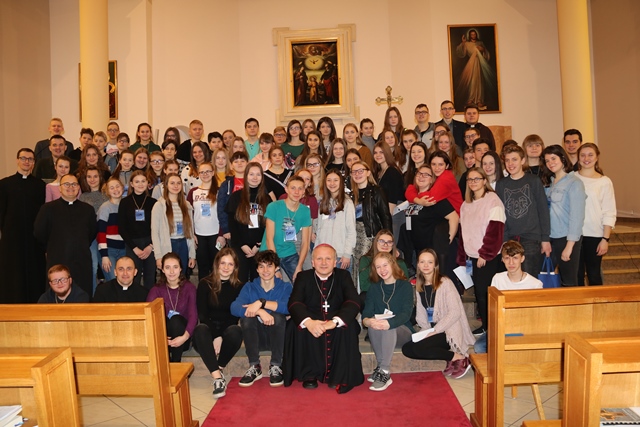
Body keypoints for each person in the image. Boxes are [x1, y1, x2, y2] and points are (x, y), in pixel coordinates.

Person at [284, 244, 364, 393]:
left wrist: (335, 322)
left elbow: (354, 301)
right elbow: (294, 302)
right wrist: (308, 322)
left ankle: (339, 375)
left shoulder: (343, 276)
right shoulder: (303, 277)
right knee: (294, 326)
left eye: (328, 259)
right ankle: (309, 374)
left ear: (335, 262)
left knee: (348, 326)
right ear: (313, 262)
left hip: (336, 316)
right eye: (319, 259)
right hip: (311, 317)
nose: (323, 263)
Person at [401, 249, 475, 378]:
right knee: (407, 349)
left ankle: (460, 357)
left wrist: (435, 330)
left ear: (435, 264)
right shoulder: (420, 285)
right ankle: (451, 357)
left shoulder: (445, 283)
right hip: (432, 330)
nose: (426, 265)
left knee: (419, 348)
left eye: (430, 262)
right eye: (422, 262)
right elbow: (421, 314)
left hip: (448, 330)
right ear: (417, 264)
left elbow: (455, 312)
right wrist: (424, 332)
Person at [230, 250, 292, 387]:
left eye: (269, 266)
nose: (265, 270)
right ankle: (255, 366)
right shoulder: (250, 287)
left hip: (278, 339)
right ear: (257, 269)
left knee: (278, 316)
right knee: (247, 318)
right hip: (256, 339)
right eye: (261, 266)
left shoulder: (285, 287)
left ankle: (276, 365)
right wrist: (259, 311)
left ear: (276, 268)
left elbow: (288, 307)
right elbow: (234, 308)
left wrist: (261, 303)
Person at [457, 167, 505, 335]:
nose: (473, 182)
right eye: (470, 179)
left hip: (488, 256)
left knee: (486, 293)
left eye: (477, 179)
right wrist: (463, 257)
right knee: (479, 293)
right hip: (472, 256)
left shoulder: (493, 200)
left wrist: (485, 254)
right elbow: (463, 233)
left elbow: (495, 231)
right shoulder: (466, 204)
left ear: (485, 180)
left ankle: (491, 327)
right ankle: (485, 325)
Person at [34, 174, 97, 298]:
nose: (70, 187)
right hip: (57, 258)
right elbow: (39, 232)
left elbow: (92, 232)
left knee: (82, 295)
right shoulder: (48, 209)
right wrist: (52, 247)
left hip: (82, 260)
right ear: (60, 188)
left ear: (78, 187)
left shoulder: (87, 210)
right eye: (66, 184)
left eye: (74, 184)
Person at [473, 241, 543, 353]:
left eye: (515, 258)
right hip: (501, 326)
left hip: (523, 327)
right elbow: (492, 308)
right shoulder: (497, 278)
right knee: (479, 347)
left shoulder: (535, 284)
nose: (511, 263)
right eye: (507, 258)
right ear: (502, 259)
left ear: (522, 259)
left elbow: (535, 315)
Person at [193, 248, 245, 398]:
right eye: (223, 263)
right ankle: (217, 377)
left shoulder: (239, 286)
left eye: (230, 264)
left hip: (227, 331)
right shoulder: (204, 284)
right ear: (217, 264)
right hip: (207, 332)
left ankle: (219, 367)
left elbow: (234, 316)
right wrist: (216, 336)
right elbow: (202, 315)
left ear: (235, 267)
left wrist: (221, 336)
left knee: (236, 331)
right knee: (200, 329)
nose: (226, 267)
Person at [495, 144, 551, 277]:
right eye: (507, 160)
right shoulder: (501, 184)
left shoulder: (533, 181)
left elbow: (543, 210)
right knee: (512, 279)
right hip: (510, 239)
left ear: (523, 160)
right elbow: (500, 214)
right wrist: (504, 240)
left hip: (531, 239)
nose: (510, 164)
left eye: (514, 159)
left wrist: (545, 239)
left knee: (529, 279)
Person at [0, 148, 46, 303]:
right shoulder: (5, 184)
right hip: (12, 239)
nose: (27, 162)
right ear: (17, 160)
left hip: (34, 239)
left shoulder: (40, 185)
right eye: (23, 158)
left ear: (34, 163)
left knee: (35, 271)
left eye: (30, 159)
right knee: (13, 272)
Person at [362, 252, 414, 391]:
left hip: (403, 331)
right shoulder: (374, 288)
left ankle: (384, 371)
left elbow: (406, 314)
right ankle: (380, 368)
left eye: (385, 265)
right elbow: (366, 313)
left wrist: (389, 323)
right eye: (378, 267)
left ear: (392, 265)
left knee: (387, 325)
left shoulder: (405, 286)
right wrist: (368, 322)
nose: (382, 270)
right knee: (374, 324)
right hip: (382, 331)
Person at [541, 145, 586, 287]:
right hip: (550, 237)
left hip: (566, 238)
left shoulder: (574, 183)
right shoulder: (548, 183)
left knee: (569, 281)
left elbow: (577, 217)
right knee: (546, 279)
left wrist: (569, 246)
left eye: (553, 158)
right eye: (547, 160)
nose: (550, 163)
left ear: (562, 159)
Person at [575, 143, 615, 286]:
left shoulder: (604, 182)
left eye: (590, 155)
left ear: (597, 157)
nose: (586, 158)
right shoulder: (571, 178)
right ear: (578, 158)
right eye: (583, 155)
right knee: (576, 275)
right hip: (573, 235)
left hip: (595, 234)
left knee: (594, 274)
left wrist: (605, 239)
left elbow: (609, 211)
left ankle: (597, 301)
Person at [147, 252, 197, 362]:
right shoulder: (156, 290)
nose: (172, 271)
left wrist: (184, 337)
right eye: (167, 267)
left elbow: (193, 316)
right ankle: (166, 362)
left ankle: (175, 363)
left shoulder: (189, 288)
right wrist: (160, 338)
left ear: (180, 269)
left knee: (176, 320)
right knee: (162, 318)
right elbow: (149, 317)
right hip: (162, 339)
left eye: (175, 267)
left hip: (183, 338)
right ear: (162, 270)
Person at [225, 162, 270, 283]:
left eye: (258, 174)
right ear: (246, 176)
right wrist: (242, 245)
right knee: (241, 280)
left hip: (260, 247)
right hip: (240, 246)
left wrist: (258, 245)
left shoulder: (267, 199)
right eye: (251, 174)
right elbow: (232, 225)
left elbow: (269, 226)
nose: (255, 177)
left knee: (258, 281)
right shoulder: (236, 197)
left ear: (262, 177)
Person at [350, 161, 393, 286]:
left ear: (368, 172)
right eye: (354, 172)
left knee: (366, 265)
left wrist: (389, 239)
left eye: (361, 171)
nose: (357, 174)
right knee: (355, 265)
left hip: (370, 235)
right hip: (353, 234)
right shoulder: (351, 194)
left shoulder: (377, 191)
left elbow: (385, 216)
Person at [262, 176, 312, 282]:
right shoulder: (274, 206)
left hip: (288, 252)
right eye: (293, 188)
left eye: (300, 188)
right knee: (273, 284)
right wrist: (275, 267)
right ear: (286, 189)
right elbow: (269, 239)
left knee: (301, 282)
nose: (296, 192)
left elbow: (305, 243)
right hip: (269, 253)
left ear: (304, 191)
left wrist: (299, 266)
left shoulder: (305, 211)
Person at [118, 170, 157, 289]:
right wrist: (134, 248)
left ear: (147, 183)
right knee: (133, 279)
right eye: (137, 181)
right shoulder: (124, 202)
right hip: (132, 245)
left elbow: (157, 227)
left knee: (150, 278)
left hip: (150, 244)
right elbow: (122, 228)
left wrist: (150, 246)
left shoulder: (153, 202)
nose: (140, 184)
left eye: (143, 181)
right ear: (131, 184)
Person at [151, 173, 196, 273]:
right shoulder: (159, 205)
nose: (176, 186)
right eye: (172, 183)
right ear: (166, 185)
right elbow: (155, 233)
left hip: (183, 244)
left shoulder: (186, 205)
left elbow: (190, 232)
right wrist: (158, 256)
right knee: (169, 276)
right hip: (168, 244)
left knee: (182, 276)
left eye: (178, 183)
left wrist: (192, 255)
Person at [187, 162, 223, 281]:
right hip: (199, 236)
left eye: (208, 171)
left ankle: (216, 291)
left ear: (213, 173)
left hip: (215, 235)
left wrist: (221, 235)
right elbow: (188, 215)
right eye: (202, 172)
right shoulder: (193, 192)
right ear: (198, 174)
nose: (205, 174)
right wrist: (192, 234)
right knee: (203, 268)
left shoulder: (219, 191)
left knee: (216, 268)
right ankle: (203, 291)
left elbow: (223, 214)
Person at [315, 170, 356, 271]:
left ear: (341, 182)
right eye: (329, 180)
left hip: (341, 255)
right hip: (324, 255)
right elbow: (319, 230)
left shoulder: (347, 203)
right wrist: (316, 251)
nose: (332, 183)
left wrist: (347, 254)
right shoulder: (323, 203)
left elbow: (351, 231)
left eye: (335, 180)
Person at [358, 230, 409, 308]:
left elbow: (405, 284)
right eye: (382, 241)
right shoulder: (366, 260)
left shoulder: (400, 262)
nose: (385, 245)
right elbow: (364, 285)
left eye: (389, 242)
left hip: (395, 296)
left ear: (393, 245)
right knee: (363, 297)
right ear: (376, 242)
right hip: (374, 295)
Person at [78, 166, 109, 294]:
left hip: (105, 237)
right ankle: (92, 297)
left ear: (100, 177)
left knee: (108, 268)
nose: (92, 179)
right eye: (89, 177)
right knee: (92, 267)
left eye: (95, 176)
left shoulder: (107, 195)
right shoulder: (82, 197)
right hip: (90, 239)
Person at [456, 29, 496, 112]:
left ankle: (479, 100)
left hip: (479, 63)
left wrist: (483, 50)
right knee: (472, 81)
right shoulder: (467, 44)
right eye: (471, 34)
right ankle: (471, 98)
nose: (473, 36)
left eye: (474, 34)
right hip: (471, 64)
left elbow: (486, 55)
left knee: (479, 81)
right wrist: (463, 43)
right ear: (469, 35)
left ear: (476, 35)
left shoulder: (480, 43)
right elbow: (462, 53)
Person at [97, 177, 126, 281]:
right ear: (107, 191)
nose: (115, 190)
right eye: (112, 188)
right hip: (109, 250)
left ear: (122, 188)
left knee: (124, 280)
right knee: (113, 280)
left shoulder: (126, 206)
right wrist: (104, 255)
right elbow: (100, 232)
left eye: (117, 186)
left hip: (124, 250)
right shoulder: (105, 207)